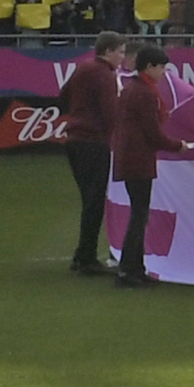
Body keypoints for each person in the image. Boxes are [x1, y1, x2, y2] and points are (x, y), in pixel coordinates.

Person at [106, 44, 174, 284]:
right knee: (139, 216)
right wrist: (180, 146)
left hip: (129, 158)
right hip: (138, 160)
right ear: (150, 67)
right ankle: (128, 270)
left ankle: (134, 268)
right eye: (162, 67)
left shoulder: (132, 89)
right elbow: (153, 134)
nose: (164, 72)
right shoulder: (145, 93)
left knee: (139, 214)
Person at [54, 42, 121, 277]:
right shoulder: (104, 74)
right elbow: (111, 111)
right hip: (94, 141)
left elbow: (63, 95)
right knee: (94, 201)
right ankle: (86, 257)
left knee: (89, 198)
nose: (121, 57)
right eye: (120, 51)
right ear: (108, 51)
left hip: (75, 140)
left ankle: (83, 255)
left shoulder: (83, 68)